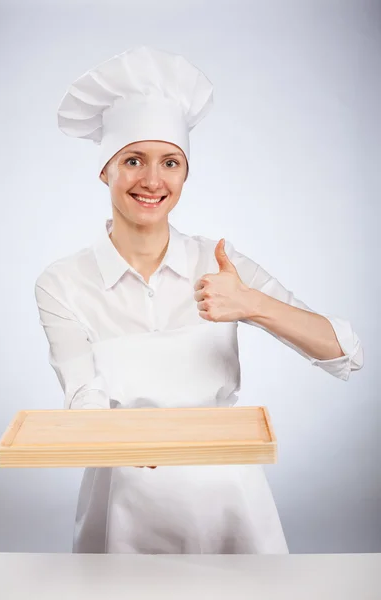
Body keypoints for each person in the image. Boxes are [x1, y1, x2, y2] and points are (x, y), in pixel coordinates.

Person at [35, 46, 363, 554]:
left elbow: (346, 353)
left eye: (170, 162)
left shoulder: (219, 261)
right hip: (123, 502)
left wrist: (251, 303)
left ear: (185, 175)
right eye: (133, 161)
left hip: (231, 504)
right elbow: (83, 397)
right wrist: (116, 436)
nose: (152, 180)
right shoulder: (62, 281)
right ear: (106, 171)